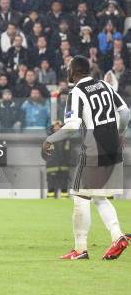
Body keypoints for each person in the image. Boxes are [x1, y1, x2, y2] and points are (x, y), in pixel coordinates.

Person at [42, 55, 130, 260]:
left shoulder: (77, 92)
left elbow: (72, 125)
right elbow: (125, 112)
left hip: (94, 149)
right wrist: (119, 133)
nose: (67, 72)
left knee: (81, 196)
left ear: (74, 71)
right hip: (113, 149)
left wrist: (50, 139)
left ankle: (80, 249)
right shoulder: (105, 86)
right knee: (99, 197)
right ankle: (118, 236)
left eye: (68, 69)